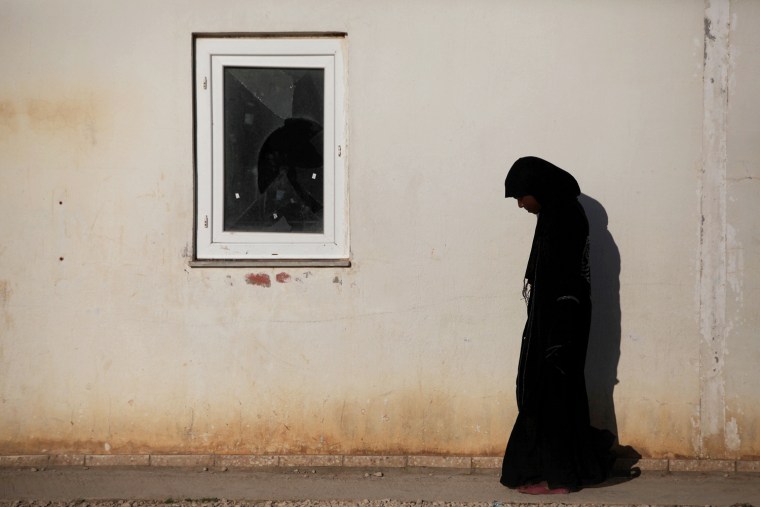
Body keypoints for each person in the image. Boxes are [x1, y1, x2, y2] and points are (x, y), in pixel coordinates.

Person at [500, 156, 615, 494]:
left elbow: (567, 281)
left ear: (538, 189)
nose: (521, 204)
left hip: (560, 327)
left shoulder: (564, 216)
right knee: (544, 396)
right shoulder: (556, 213)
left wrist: (557, 337)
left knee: (554, 400)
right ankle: (549, 471)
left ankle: (560, 478)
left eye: (522, 196)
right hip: (552, 325)